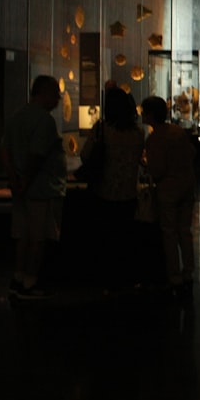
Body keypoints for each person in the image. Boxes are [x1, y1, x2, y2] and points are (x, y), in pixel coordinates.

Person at [0, 75, 66, 299]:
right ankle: (30, 283)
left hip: (21, 189)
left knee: (22, 235)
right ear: (44, 93)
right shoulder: (45, 121)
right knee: (38, 238)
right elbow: (36, 155)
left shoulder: (16, 116)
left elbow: (5, 150)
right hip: (41, 189)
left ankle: (17, 279)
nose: (58, 99)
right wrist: (26, 181)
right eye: (56, 93)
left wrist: (14, 181)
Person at [78, 86, 145, 292]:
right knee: (126, 237)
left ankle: (106, 278)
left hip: (103, 191)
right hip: (128, 192)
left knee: (105, 238)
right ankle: (126, 277)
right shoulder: (138, 132)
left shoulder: (101, 129)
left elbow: (85, 155)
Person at [140, 96, 197, 300]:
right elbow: (191, 153)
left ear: (150, 114)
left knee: (169, 233)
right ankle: (188, 273)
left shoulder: (154, 139)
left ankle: (175, 277)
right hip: (187, 185)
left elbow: (157, 169)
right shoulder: (178, 132)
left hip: (168, 189)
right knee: (184, 231)